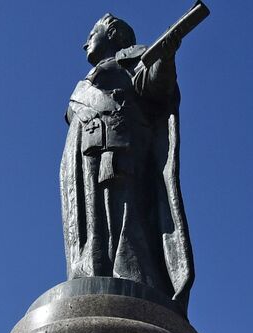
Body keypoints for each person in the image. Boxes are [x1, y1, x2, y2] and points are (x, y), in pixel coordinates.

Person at [60, 13, 194, 307]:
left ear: (113, 35)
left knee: (123, 219)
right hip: (87, 158)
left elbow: (155, 86)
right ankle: (90, 269)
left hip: (120, 154)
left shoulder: (134, 61)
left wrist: (166, 56)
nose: (85, 44)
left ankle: (131, 276)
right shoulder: (84, 84)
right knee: (90, 222)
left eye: (92, 33)